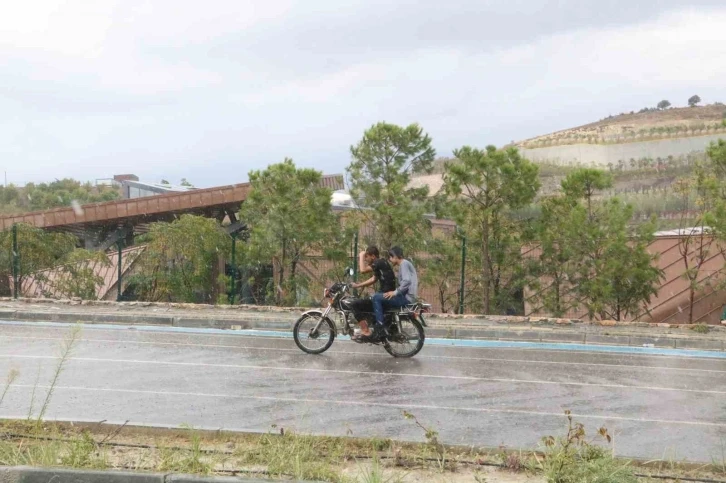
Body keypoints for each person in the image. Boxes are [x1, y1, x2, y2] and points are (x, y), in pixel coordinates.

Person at [371, 246, 418, 336]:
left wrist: (395, 292)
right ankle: (389, 325)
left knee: (376, 297)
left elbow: (407, 281)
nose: (390, 259)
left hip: (406, 298)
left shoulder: (404, 264)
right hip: (407, 297)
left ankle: (380, 327)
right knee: (382, 296)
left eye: (391, 257)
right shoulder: (405, 264)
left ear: (396, 256)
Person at [351, 246, 396, 338]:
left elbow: (362, 270)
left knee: (354, 304)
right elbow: (374, 279)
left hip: (384, 295)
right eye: (365, 257)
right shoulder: (381, 262)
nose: (366, 260)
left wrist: (361, 256)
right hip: (385, 293)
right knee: (366, 303)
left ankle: (365, 330)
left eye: (367, 257)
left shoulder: (378, 262)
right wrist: (358, 285)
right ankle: (371, 326)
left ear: (373, 256)